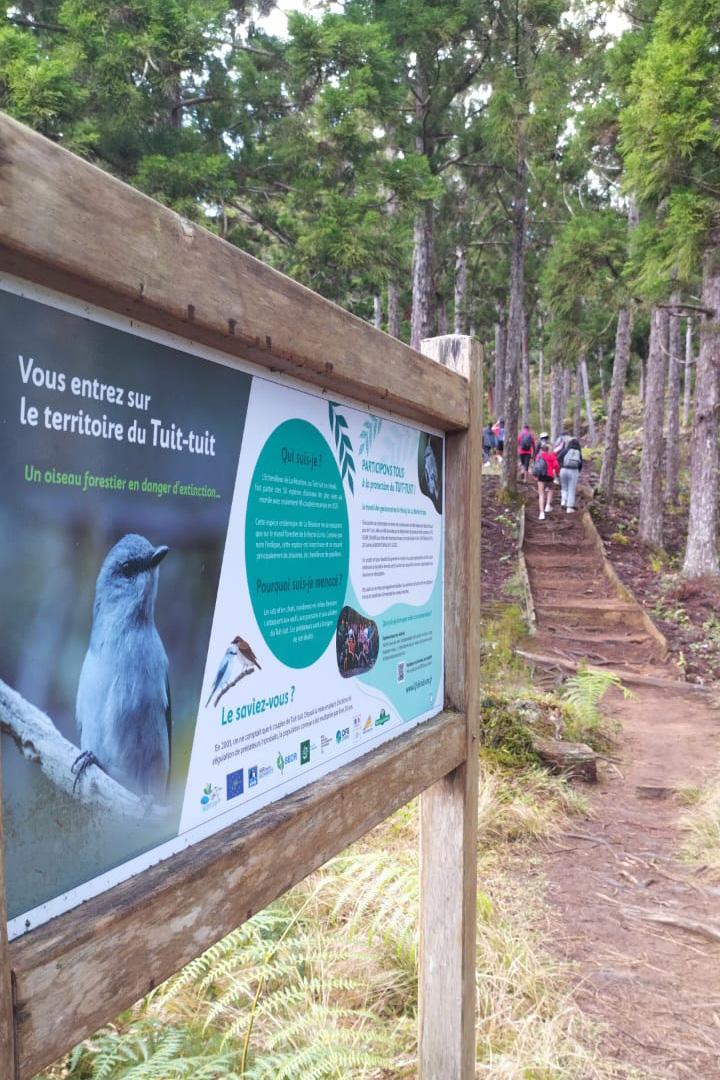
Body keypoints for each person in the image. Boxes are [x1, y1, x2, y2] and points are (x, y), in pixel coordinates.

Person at [533, 434, 560, 520]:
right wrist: (557, 473)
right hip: (550, 476)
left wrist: (535, 475)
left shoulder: (538, 456)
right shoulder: (552, 456)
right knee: (551, 489)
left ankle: (541, 513)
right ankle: (548, 505)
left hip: (541, 476)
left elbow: (536, 465)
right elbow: (556, 466)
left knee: (541, 494)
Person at [557, 436, 583, 513]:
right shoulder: (578, 453)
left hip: (563, 470)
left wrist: (561, 466)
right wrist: (578, 471)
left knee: (564, 487)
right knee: (571, 489)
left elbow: (558, 458)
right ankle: (569, 507)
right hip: (574, 471)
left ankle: (563, 502)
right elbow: (580, 464)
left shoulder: (566, 450)